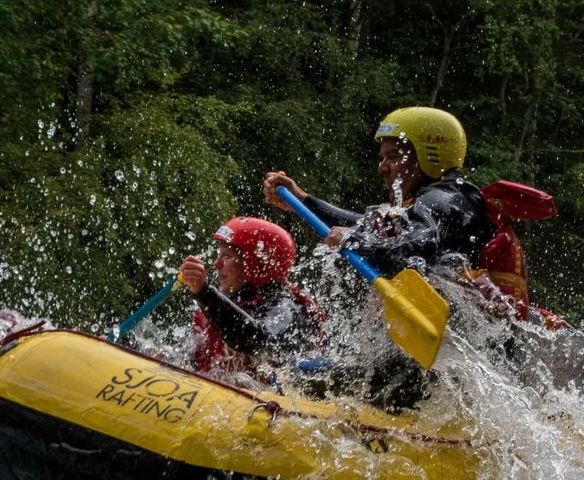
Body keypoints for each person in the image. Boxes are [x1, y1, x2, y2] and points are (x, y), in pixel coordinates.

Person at [262, 106, 553, 315]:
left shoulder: (440, 200)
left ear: (428, 157)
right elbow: (371, 224)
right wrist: (304, 200)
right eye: (382, 158)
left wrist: (354, 241)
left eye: (393, 157)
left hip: (483, 337)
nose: (382, 168)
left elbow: (414, 248)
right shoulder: (449, 198)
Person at [177, 217, 325, 376]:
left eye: (226, 256)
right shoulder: (221, 309)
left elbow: (257, 340)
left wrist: (204, 292)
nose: (216, 263)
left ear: (256, 264)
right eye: (219, 255)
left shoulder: (286, 309)